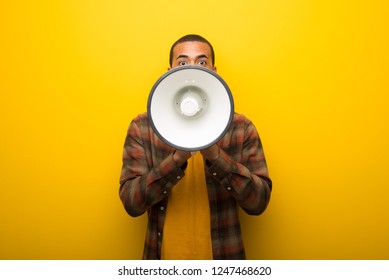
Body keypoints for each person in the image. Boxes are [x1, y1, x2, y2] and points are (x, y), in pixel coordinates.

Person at [119, 34, 272, 260]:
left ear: (214, 71)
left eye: (202, 62)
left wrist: (215, 154)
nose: (192, 70)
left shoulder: (241, 127)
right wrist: (176, 159)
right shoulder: (143, 127)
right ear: (169, 71)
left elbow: (259, 202)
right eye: (182, 63)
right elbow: (132, 204)